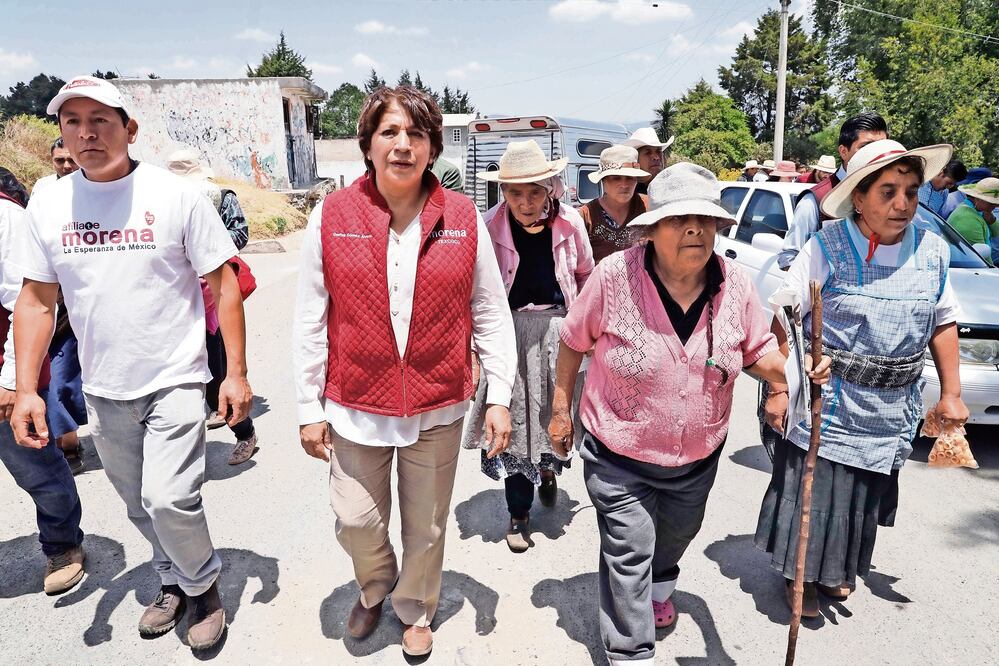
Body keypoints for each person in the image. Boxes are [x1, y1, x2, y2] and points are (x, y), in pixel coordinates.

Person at [548, 162, 830, 666]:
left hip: (696, 457)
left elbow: (757, 351)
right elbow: (572, 341)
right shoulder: (615, 278)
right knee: (629, 548)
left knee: (675, 537)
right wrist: (560, 410)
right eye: (680, 220)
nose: (696, 229)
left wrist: (791, 371)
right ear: (652, 229)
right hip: (618, 452)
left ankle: (662, 583)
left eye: (705, 219)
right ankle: (630, 650)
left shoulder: (736, 285)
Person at [10, 75, 251, 650]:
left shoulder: (174, 195)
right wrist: (25, 389)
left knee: (170, 497)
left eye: (101, 120)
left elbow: (225, 283)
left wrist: (236, 371)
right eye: (73, 122)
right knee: (139, 501)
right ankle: (170, 577)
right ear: (62, 134)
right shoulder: (48, 203)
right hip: (103, 385)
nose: (87, 133)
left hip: (175, 376)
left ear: (129, 129)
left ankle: (204, 587)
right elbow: (37, 301)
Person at [292, 85, 515, 657]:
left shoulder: (462, 216)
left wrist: (499, 395)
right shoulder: (332, 214)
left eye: (416, 134)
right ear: (367, 143)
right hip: (354, 401)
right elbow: (310, 316)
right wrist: (307, 407)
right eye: (389, 132)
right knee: (356, 521)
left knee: (429, 523)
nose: (403, 145)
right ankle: (375, 585)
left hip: (437, 403)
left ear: (433, 147)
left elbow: (489, 307)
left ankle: (415, 605)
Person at [756, 140, 966, 618]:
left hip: (892, 405)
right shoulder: (826, 247)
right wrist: (781, 388)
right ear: (859, 198)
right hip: (830, 401)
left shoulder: (932, 252)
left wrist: (951, 393)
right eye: (888, 191)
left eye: (912, 192)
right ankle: (801, 577)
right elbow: (786, 319)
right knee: (820, 490)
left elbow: (943, 320)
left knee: (862, 495)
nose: (903, 204)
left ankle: (837, 571)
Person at [463, 140, 594, 552]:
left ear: (550, 187)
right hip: (507, 335)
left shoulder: (570, 223)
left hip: (558, 333)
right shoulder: (487, 228)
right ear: (502, 192)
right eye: (515, 192)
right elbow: (473, 295)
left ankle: (549, 471)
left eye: (534, 191)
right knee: (512, 425)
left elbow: (586, 276)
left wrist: (586, 334)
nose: (525, 201)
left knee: (550, 416)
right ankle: (518, 514)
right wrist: (474, 354)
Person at [0, 167, 86, 595]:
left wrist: (16, 381)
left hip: (5, 382)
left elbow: (29, 302)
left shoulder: (7, 217)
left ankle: (62, 544)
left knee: (38, 471)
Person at [167, 148, 257, 464]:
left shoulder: (221, 197)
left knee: (216, 378)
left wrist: (204, 247)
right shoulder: (163, 202)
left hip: (211, 297)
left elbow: (240, 233)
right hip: (174, 302)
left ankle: (245, 434)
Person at [778, 112, 888, 270]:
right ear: (843, 152)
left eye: (881, 147)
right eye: (866, 147)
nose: (875, 155)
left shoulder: (895, 198)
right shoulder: (815, 200)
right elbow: (788, 259)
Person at [577, 145, 650, 263]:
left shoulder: (649, 207)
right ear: (603, 181)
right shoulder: (587, 215)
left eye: (630, 177)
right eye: (616, 178)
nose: (624, 184)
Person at [946, 177, 999, 265]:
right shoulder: (967, 218)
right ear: (978, 198)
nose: (996, 206)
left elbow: (997, 233)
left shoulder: (978, 211)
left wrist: (991, 220)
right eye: (992, 203)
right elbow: (981, 259)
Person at [623, 127, 673, 195]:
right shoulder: (631, 195)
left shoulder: (672, 186)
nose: (656, 157)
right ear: (636, 159)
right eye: (648, 152)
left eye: (658, 151)